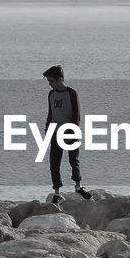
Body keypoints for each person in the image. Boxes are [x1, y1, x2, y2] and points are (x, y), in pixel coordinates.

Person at [43, 64, 91, 205]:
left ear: (59, 79)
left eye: (51, 81)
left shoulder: (71, 93)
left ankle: (78, 187)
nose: (50, 84)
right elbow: (50, 113)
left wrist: (73, 130)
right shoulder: (51, 94)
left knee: (73, 160)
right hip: (55, 132)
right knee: (54, 164)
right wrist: (47, 129)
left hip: (70, 131)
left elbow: (77, 115)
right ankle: (57, 193)